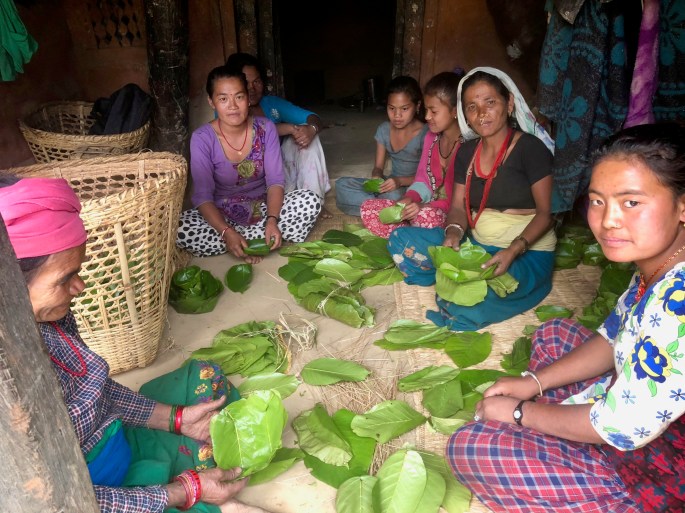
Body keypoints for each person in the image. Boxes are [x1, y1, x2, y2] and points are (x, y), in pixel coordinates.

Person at [447, 123, 685, 513]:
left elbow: (621, 427)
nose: (608, 220)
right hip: (638, 402)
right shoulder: (660, 265)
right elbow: (612, 337)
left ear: (682, 205)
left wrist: (521, 413)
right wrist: (532, 382)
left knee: (471, 447)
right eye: (597, 201)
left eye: (631, 203)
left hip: (660, 467)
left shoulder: (679, 305)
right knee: (554, 333)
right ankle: (560, 428)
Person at [0, 175, 270, 513]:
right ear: (9, 287)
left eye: (77, 272)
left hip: (113, 438)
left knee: (205, 378)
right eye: (65, 279)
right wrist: (183, 492)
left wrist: (177, 418)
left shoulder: (47, 317)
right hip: (83, 494)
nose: (79, 287)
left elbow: (95, 388)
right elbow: (57, 501)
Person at [388, 67, 556, 330]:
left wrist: (512, 250)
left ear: (509, 103)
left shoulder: (530, 149)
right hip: (476, 243)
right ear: (464, 112)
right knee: (401, 240)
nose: (481, 113)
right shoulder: (467, 152)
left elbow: (547, 214)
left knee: (465, 304)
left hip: (524, 251)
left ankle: (465, 283)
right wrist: (453, 233)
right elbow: (457, 208)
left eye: (490, 102)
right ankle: (459, 277)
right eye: (472, 106)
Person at [176, 66, 321, 262]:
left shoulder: (265, 128)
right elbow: (203, 195)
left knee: (310, 201)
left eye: (239, 97)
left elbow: (275, 181)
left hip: (262, 208)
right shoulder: (202, 138)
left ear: (248, 98)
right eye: (223, 99)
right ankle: (248, 241)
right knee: (179, 227)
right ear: (212, 102)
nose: (233, 106)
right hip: (223, 214)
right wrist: (226, 231)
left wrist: (272, 219)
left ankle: (248, 240)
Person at [225, 52, 332, 218]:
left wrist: (310, 129)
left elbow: (313, 117)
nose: (252, 88)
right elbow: (246, 133)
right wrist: (287, 127)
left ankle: (313, 201)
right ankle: (286, 205)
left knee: (307, 137)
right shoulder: (228, 109)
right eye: (246, 82)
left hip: (279, 176)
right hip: (249, 180)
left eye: (257, 81)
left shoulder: (271, 104)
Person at [360, 71, 464, 239]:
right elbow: (423, 180)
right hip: (425, 203)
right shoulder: (432, 137)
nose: (427, 116)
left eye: (434, 111)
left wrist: (422, 205)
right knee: (368, 208)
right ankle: (409, 232)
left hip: (451, 212)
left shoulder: (467, 146)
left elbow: (460, 202)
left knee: (425, 217)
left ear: (455, 110)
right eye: (427, 110)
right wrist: (409, 198)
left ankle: (406, 233)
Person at [334, 75, 428, 216]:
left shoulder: (425, 133)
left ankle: (375, 208)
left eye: (404, 109)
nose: (397, 115)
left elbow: (428, 176)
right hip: (391, 184)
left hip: (413, 188)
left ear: (417, 106)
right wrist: (377, 177)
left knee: (394, 197)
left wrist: (399, 181)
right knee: (342, 184)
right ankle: (386, 211)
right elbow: (378, 167)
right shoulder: (384, 129)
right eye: (391, 108)